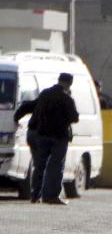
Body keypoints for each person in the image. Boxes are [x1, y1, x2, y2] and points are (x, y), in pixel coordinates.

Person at [30, 72, 79, 205]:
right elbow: (74, 117)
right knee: (56, 167)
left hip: (42, 133)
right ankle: (51, 196)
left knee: (39, 165)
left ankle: (35, 195)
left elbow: (37, 109)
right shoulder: (67, 99)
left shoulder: (45, 94)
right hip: (59, 136)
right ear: (69, 84)